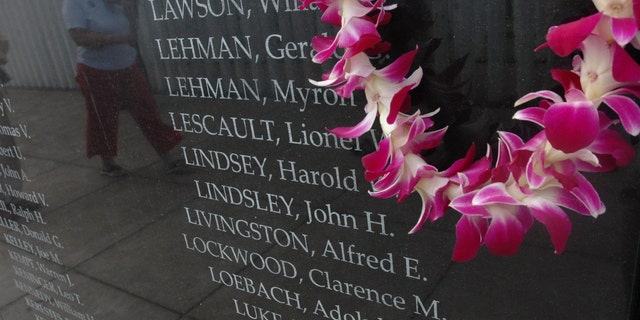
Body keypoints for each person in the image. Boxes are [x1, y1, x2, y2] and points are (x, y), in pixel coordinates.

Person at [62, 0, 182, 176]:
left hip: (127, 63)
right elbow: (79, 38)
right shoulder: (74, 4)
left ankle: (168, 159)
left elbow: (133, 34)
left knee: (147, 110)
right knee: (103, 118)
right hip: (95, 69)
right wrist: (117, 39)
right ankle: (108, 164)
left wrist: (131, 11)